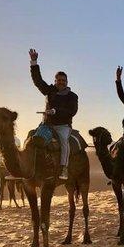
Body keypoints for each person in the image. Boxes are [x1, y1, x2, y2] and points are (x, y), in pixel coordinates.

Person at [29, 48, 78, 180]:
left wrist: (56, 111)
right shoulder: (49, 91)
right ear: (55, 81)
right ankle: (29, 167)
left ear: (67, 82)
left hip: (63, 125)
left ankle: (63, 168)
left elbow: (72, 111)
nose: (61, 82)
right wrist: (34, 62)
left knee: (64, 142)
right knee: (32, 138)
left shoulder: (72, 96)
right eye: (59, 80)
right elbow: (38, 81)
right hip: (47, 124)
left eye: (63, 80)